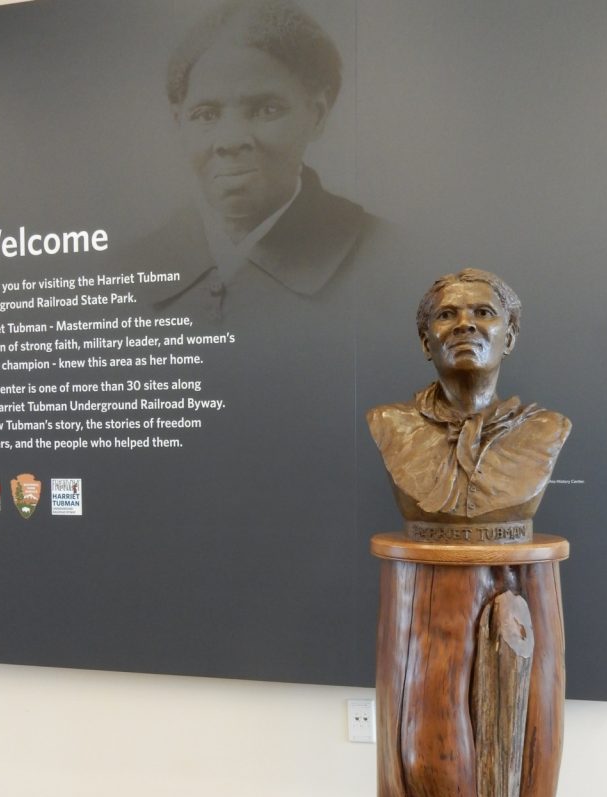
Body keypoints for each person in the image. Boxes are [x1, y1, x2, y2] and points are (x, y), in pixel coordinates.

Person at [132, 0, 399, 322]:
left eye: (266, 110)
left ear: (317, 114)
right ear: (179, 122)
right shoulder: (125, 269)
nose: (230, 141)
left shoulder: (390, 259)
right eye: (206, 115)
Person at [367, 268, 571, 531]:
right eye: (446, 314)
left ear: (508, 339)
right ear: (426, 343)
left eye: (483, 312)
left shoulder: (547, 429)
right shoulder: (390, 423)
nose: (464, 324)